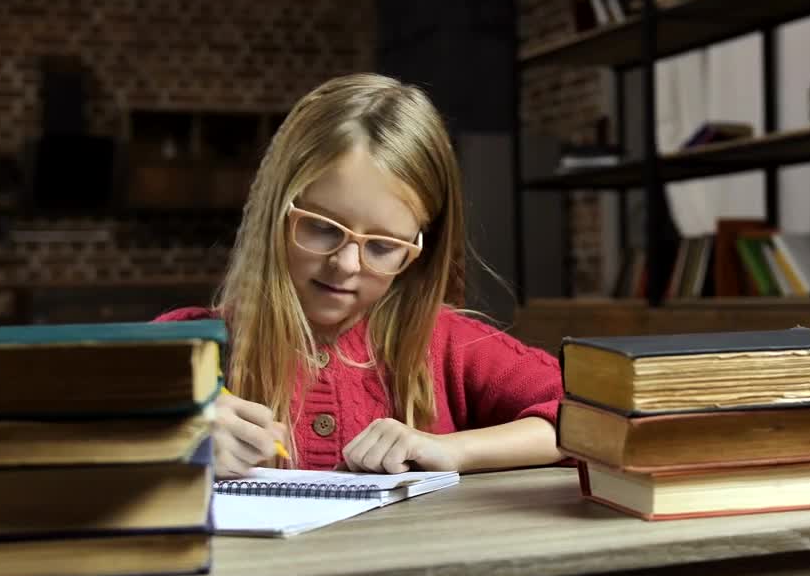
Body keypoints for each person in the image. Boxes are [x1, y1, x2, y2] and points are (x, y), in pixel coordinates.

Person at [155, 73, 565, 479]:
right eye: (323, 227)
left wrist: (453, 449)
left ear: (421, 251)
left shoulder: (448, 345)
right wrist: (173, 438)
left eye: (384, 246)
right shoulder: (185, 346)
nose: (347, 264)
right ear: (273, 212)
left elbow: (593, 417)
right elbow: (95, 432)